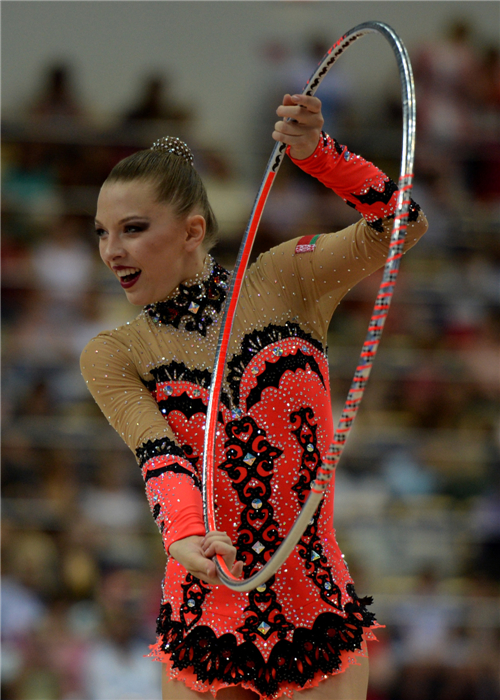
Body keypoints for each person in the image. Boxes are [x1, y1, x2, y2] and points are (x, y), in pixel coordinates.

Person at [81, 94, 428, 699]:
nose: (112, 250)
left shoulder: (284, 279)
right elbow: (160, 456)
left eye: (133, 229)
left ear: (192, 230)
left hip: (312, 605)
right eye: (103, 233)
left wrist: (319, 156)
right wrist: (185, 533)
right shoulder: (115, 353)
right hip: (206, 602)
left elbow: (403, 224)